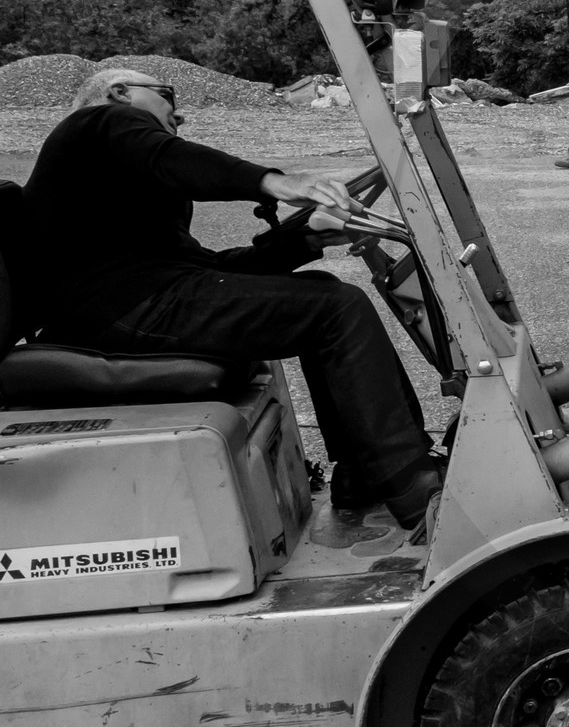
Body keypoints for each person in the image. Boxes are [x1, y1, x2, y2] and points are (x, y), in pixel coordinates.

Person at [19, 69, 442, 527]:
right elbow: (171, 158)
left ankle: (363, 473)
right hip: (119, 310)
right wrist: (276, 183)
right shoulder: (96, 123)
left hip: (136, 303)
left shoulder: (119, 184)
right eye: (166, 94)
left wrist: (305, 240)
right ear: (120, 93)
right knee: (335, 309)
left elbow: (206, 271)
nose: (178, 112)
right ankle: (408, 481)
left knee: (322, 292)